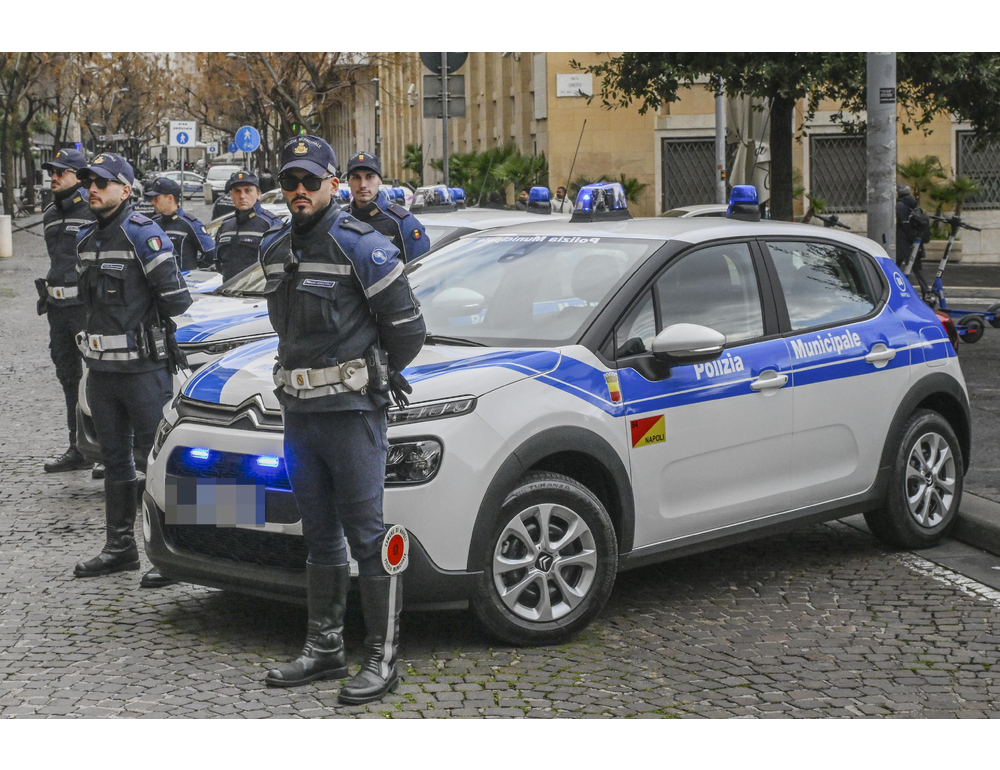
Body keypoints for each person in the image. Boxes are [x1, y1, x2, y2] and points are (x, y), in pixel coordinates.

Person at [260, 136, 425, 704]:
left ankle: (382, 659)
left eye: (310, 181)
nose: (299, 191)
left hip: (353, 413)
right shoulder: (273, 247)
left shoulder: (365, 246)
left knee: (366, 534)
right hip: (300, 415)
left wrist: (373, 373)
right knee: (319, 534)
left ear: (333, 184)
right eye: (290, 182)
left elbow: (408, 330)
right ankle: (325, 648)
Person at [72, 153, 192, 589]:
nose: (93, 189)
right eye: (89, 182)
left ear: (126, 190)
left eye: (102, 183)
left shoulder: (145, 235)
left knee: (155, 460)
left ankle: (174, 556)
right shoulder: (85, 240)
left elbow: (176, 300)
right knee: (114, 461)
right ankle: (119, 548)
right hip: (102, 372)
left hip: (144, 371)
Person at [38, 149, 96, 474]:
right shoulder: (48, 213)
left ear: (79, 177)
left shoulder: (92, 210)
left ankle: (106, 449)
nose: (54, 177)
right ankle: (77, 448)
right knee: (68, 378)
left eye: (61, 172)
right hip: (57, 310)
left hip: (84, 310)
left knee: (99, 378)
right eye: (52, 172)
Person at [347, 152, 429, 263]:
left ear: (380, 180)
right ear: (348, 182)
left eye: (369, 177)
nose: (363, 185)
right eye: (356, 177)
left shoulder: (403, 222)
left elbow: (419, 270)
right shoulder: (341, 218)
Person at [213, 170, 284, 281]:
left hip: (258, 295)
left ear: (258, 194)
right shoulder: (226, 225)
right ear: (231, 195)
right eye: (237, 191)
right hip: (228, 292)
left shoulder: (271, 224)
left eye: (248, 191)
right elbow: (219, 262)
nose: (242, 196)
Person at [144, 176, 216, 271]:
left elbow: (211, 253)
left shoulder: (189, 224)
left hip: (184, 282)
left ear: (170, 198)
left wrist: (193, 268)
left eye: (156, 198)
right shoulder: (154, 223)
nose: (153, 202)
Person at [896, 183, 931, 297]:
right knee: (917, 268)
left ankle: (894, 289)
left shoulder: (900, 205)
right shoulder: (915, 204)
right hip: (915, 240)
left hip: (903, 241)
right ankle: (926, 290)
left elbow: (903, 223)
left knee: (894, 265)